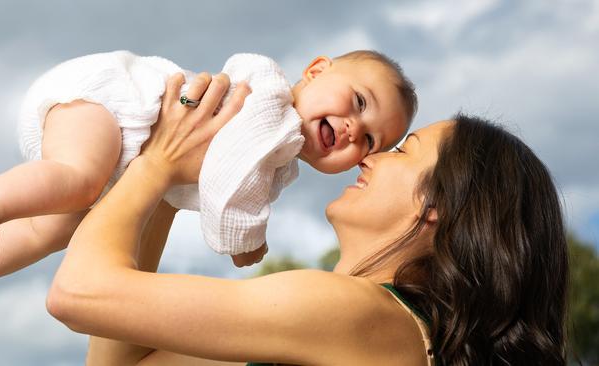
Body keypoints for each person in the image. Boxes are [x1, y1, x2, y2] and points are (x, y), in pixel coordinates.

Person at [46, 74, 569, 365]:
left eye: (400, 151)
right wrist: (173, 183)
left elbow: (77, 295)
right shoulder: (353, 328)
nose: (369, 156)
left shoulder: (354, 312)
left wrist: (156, 162)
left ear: (439, 205)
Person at [0, 49, 417, 340]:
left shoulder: (283, 149)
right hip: (113, 108)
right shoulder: (273, 112)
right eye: (358, 103)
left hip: (121, 151)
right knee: (79, 176)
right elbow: (229, 179)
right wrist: (244, 238)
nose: (356, 130)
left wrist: (162, 177)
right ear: (315, 71)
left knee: (59, 226)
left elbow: (191, 177)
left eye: (372, 141)